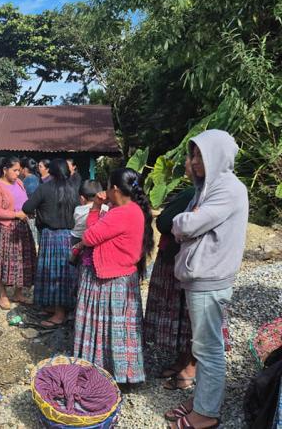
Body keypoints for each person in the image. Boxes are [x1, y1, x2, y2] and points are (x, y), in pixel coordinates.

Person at [165, 130, 249, 429]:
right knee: (202, 344)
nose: (194, 161)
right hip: (202, 275)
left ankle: (206, 414)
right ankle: (202, 400)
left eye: (199, 155)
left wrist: (182, 222)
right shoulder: (209, 188)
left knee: (208, 348)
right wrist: (187, 222)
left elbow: (188, 222)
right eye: (193, 154)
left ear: (217, 155)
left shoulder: (228, 189)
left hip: (209, 277)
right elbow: (189, 223)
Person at [73, 168, 153, 384]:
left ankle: (100, 372)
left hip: (110, 279)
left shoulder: (120, 213)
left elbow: (89, 237)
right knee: (119, 330)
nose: (105, 191)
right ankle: (122, 373)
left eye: (108, 187)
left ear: (115, 189)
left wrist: (96, 207)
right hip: (123, 276)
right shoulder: (133, 209)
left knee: (103, 328)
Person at [143, 156, 198, 388]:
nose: (187, 162)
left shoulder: (194, 194)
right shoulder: (192, 193)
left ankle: (191, 366)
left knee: (188, 314)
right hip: (178, 258)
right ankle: (183, 359)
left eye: (193, 157)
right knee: (181, 313)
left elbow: (164, 223)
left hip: (185, 262)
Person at [21, 158, 77, 328]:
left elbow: (27, 207)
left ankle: (59, 314)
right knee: (64, 273)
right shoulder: (73, 189)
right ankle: (56, 307)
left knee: (53, 273)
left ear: (50, 171)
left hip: (51, 236)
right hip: (69, 236)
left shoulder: (45, 188)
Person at [0, 157, 36, 310]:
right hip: (4, 229)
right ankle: (3, 295)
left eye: (19, 170)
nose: (17, 173)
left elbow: (25, 202)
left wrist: (28, 212)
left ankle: (18, 293)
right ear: (5, 170)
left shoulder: (19, 183)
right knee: (2, 261)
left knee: (22, 261)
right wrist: (15, 215)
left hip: (21, 227)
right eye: (14, 170)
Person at [71, 180, 108, 246]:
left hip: (77, 238)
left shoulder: (78, 210)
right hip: (97, 239)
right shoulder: (106, 208)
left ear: (82, 198)